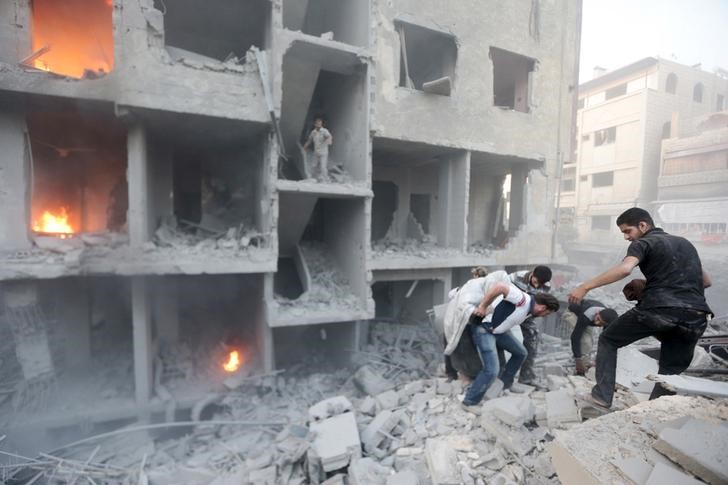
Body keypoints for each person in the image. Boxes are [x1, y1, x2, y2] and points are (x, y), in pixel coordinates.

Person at [568, 208, 712, 409]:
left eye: (628, 231)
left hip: (658, 309)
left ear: (643, 225)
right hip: (696, 317)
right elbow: (706, 281)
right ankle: (652, 410)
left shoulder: (643, 243)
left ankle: (601, 396)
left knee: (609, 339)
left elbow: (625, 269)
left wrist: (584, 286)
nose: (627, 237)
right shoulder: (685, 244)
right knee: (670, 369)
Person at [461, 282, 560, 412]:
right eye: (546, 313)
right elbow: (499, 287)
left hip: (499, 332)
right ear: (542, 308)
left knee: (521, 353)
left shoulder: (530, 310)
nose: (544, 316)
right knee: (491, 370)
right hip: (484, 330)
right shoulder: (522, 299)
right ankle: (469, 402)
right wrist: (483, 306)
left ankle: (504, 385)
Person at [507, 266, 552, 385]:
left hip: (526, 314)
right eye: (536, 282)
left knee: (533, 337)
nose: (537, 286)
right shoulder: (515, 278)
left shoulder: (547, 286)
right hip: (507, 309)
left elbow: (540, 304)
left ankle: (526, 376)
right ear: (532, 274)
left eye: (540, 284)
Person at [444, 267, 488, 381]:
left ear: (476, 276)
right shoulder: (471, 288)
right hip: (462, 320)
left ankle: (453, 373)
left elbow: (451, 294)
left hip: (460, 321)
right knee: (466, 346)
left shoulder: (471, 287)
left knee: (451, 344)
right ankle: (469, 372)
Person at [564, 300, 618, 375]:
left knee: (589, 342)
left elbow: (605, 340)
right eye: (598, 319)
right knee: (586, 341)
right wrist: (578, 360)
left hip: (587, 319)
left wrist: (598, 359)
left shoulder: (608, 319)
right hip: (572, 313)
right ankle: (580, 369)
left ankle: (584, 363)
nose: (597, 323)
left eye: (601, 323)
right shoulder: (587, 315)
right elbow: (575, 337)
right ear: (597, 313)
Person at [302, 116, 333, 181]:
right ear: (315, 124)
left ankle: (326, 179)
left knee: (323, 167)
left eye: (320, 124)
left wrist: (329, 140)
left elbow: (329, 136)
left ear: (321, 124)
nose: (319, 125)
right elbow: (309, 140)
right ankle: (313, 178)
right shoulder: (313, 132)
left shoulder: (324, 131)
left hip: (323, 153)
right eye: (317, 124)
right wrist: (304, 147)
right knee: (313, 166)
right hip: (316, 152)